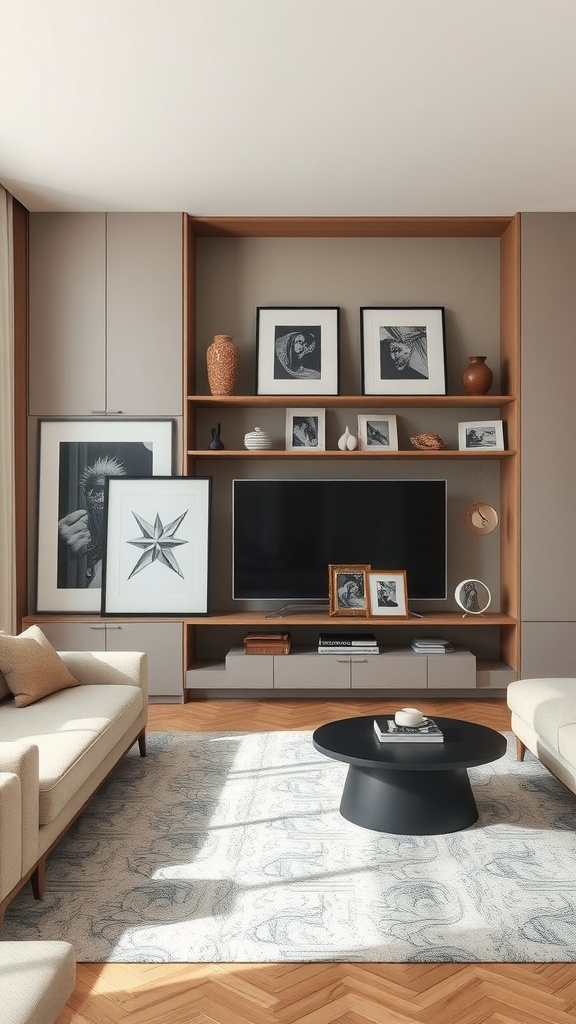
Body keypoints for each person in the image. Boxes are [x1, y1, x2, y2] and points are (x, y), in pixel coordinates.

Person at [58, 455, 126, 588]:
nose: (100, 498)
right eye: (96, 492)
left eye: (104, 491)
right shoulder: (81, 526)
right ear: (87, 496)